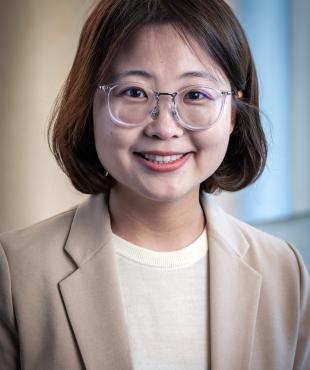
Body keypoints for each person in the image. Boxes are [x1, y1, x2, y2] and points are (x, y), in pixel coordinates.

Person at [0, 0, 309, 369]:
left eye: (195, 94)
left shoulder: (284, 270)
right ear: (90, 104)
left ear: (233, 114)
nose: (164, 127)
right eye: (133, 92)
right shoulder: (17, 271)